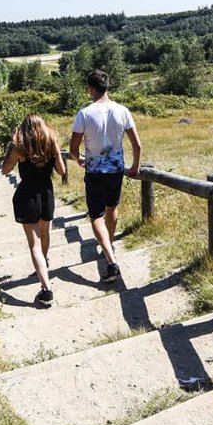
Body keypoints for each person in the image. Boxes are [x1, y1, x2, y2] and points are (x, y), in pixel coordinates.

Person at [69, 69, 142, 282]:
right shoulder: (123, 111)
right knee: (112, 208)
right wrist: (135, 167)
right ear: (107, 86)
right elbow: (137, 145)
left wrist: (79, 159)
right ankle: (109, 245)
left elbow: (73, 148)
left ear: (91, 89)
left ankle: (111, 262)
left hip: (95, 172)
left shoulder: (85, 113)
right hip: (116, 170)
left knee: (96, 216)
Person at [1, 114, 67, 307]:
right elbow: (62, 171)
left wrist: (11, 150)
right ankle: (44, 265)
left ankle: (46, 290)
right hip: (46, 193)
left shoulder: (19, 147)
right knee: (45, 234)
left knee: (34, 244)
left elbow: (5, 169)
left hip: (27, 194)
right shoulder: (51, 142)